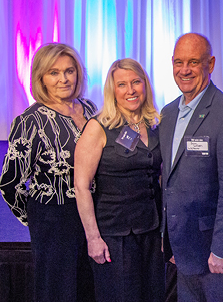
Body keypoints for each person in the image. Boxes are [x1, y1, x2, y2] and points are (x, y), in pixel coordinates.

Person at [159, 33, 223, 302]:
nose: (184, 70)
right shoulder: (167, 114)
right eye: (178, 62)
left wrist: (221, 249)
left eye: (193, 62)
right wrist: (170, 242)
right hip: (183, 252)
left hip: (217, 255)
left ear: (211, 64)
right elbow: (169, 181)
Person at [0, 42, 96, 302]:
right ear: (41, 78)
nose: (63, 79)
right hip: (55, 221)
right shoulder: (30, 121)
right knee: (59, 292)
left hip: (95, 216)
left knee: (91, 288)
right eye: (54, 72)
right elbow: (10, 183)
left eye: (69, 70)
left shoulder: (90, 109)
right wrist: (38, 220)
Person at [74, 58, 165, 302]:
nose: (131, 90)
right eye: (122, 84)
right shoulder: (98, 127)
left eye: (136, 82)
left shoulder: (154, 124)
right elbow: (81, 187)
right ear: (112, 90)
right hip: (115, 235)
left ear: (145, 85)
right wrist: (93, 238)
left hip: (151, 231)